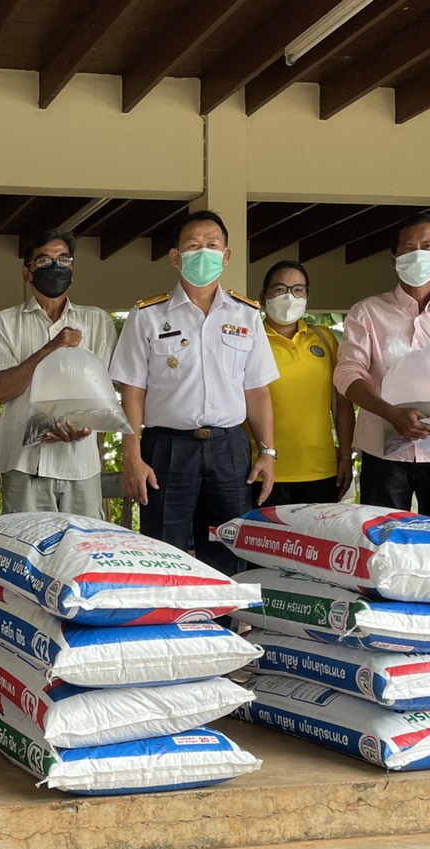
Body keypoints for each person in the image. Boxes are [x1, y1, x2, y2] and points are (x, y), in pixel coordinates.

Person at [110, 209, 279, 575]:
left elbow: (257, 390)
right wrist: (132, 456)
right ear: (175, 257)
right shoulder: (148, 315)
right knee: (164, 555)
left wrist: (267, 452)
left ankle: (225, 614)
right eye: (193, 245)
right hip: (168, 449)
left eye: (212, 245)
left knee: (230, 553)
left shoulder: (247, 315)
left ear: (226, 255)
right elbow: (132, 391)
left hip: (229, 449)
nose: (204, 252)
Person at [332, 213, 430, 526]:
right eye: (407, 249)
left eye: (427, 247)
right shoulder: (367, 313)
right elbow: (347, 374)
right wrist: (390, 413)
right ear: (394, 260)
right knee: (383, 540)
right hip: (383, 454)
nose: (418, 255)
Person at [0, 229, 117, 516]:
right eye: (44, 261)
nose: (55, 267)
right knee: (25, 543)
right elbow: (2, 391)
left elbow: (102, 392)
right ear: (27, 272)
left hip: (80, 463)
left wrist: (83, 426)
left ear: (73, 268)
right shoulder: (4, 323)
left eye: (63, 260)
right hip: (23, 464)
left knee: (82, 543)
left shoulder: (97, 321)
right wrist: (50, 347)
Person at [259, 260, 356, 505]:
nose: (289, 297)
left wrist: (346, 457)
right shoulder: (250, 340)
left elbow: (342, 405)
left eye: (298, 290)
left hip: (321, 470)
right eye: (280, 289)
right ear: (263, 296)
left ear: (307, 296)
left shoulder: (324, 339)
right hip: (263, 468)